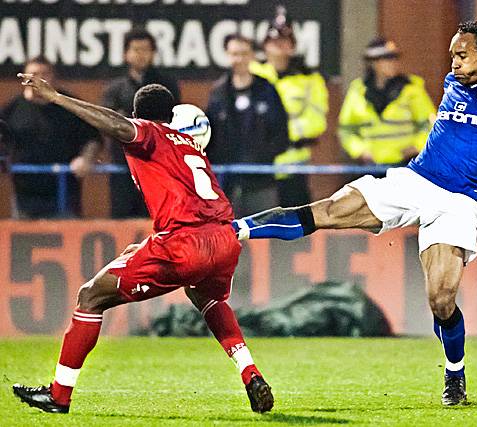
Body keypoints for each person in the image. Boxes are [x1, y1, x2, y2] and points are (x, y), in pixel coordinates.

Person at [232, 8, 477, 406]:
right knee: (328, 209)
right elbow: (469, 133)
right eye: (453, 55)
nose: (454, 63)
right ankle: (234, 229)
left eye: (463, 55)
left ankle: (454, 372)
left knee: (441, 299)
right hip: (415, 180)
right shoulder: (454, 83)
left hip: (458, 203)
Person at [11, 79, 274, 414]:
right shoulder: (189, 145)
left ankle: (59, 395)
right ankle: (250, 372)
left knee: (90, 296)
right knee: (206, 295)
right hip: (223, 240)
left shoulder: (150, 133)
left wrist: (58, 97)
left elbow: (120, 127)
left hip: (183, 244)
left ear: (140, 116)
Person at [1, 56, 101, 218]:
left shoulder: (69, 105)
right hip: (25, 197)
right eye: (33, 74)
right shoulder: (11, 110)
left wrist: (86, 159)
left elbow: (93, 138)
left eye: (44, 74)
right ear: (24, 78)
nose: (38, 79)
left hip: (66, 193)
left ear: (52, 77)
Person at [250, 6, 329, 207]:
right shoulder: (253, 74)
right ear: (264, 45)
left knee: (295, 219)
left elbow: (317, 121)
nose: (279, 47)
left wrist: (282, 134)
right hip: (257, 161)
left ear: (293, 46)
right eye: (274, 41)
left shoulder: (310, 79)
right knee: (255, 220)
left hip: (295, 161)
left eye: (285, 41)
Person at [206, 34, 289, 217]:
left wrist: (260, 157)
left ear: (252, 56)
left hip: (262, 181)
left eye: (244, 53)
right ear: (227, 56)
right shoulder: (218, 93)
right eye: (234, 54)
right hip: (227, 183)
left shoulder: (267, 90)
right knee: (227, 236)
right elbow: (209, 136)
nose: (239, 59)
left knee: (266, 233)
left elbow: (281, 133)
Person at [102, 28, 181, 218]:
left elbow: (174, 119)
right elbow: (107, 124)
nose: (141, 55)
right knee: (122, 220)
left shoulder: (167, 85)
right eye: (135, 49)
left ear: (153, 53)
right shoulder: (115, 89)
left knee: (159, 218)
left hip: (158, 166)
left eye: (145, 49)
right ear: (125, 54)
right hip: (124, 167)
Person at [339, 37, 437, 166]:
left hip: (405, 164)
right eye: (387, 58)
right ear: (373, 63)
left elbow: (431, 124)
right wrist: (360, 150)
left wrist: (416, 146)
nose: (393, 62)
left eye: (395, 58)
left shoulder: (411, 89)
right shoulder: (358, 90)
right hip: (370, 165)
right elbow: (346, 129)